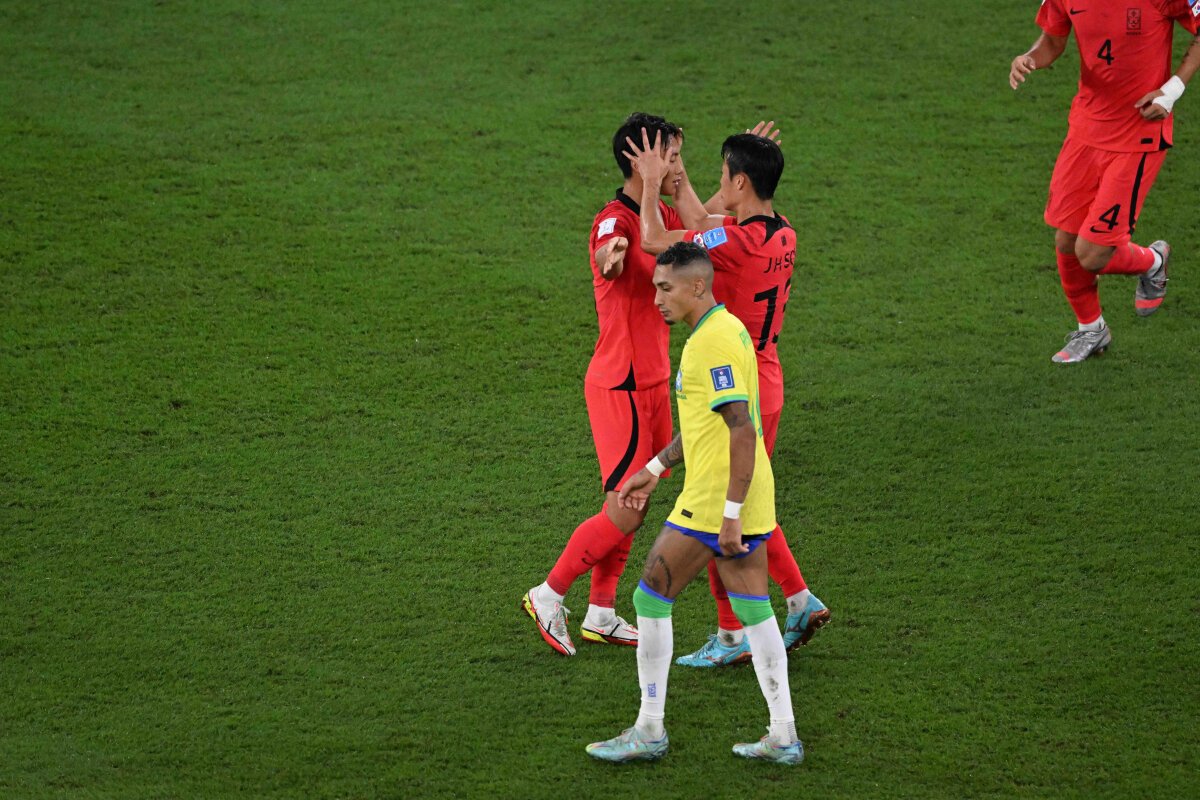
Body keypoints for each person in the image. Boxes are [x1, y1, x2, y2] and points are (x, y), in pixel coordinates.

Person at [585, 241, 804, 765]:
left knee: (649, 600)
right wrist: (653, 468)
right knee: (755, 613)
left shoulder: (709, 345)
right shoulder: (726, 329)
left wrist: (728, 515)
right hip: (749, 493)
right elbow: (706, 425)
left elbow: (741, 429)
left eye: (665, 288)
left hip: (716, 499)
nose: (657, 298)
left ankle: (649, 729)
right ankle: (783, 736)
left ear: (697, 286)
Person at [623, 128, 830, 668]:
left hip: (735, 381)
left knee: (726, 509)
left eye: (725, 176)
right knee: (752, 502)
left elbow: (657, 239)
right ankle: (798, 599)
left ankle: (732, 634)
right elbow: (701, 221)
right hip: (768, 374)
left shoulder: (736, 243)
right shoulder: (781, 232)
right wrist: (682, 176)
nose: (719, 182)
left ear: (740, 183)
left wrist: (654, 183)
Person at [520, 113, 688, 656]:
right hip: (622, 384)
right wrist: (610, 258)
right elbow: (609, 254)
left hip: (653, 381)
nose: (679, 166)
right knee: (624, 506)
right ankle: (548, 594)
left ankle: (601, 611)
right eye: (671, 157)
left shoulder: (659, 213)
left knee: (637, 500)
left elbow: (708, 224)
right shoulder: (614, 221)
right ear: (641, 162)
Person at [1009, 0, 1200, 363]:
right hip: (1086, 130)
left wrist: (1172, 90)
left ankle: (1153, 261)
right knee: (1067, 240)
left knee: (1092, 253)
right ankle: (1091, 329)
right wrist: (1029, 58)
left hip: (1138, 133)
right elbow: (1052, 40)